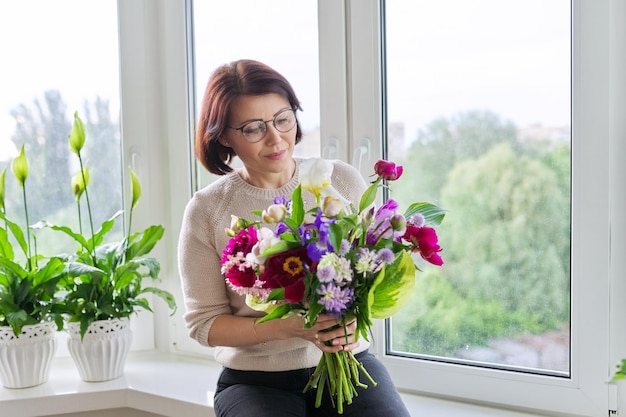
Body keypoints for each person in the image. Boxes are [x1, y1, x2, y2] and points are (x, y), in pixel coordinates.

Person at [178, 59, 411, 417]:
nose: (275, 139)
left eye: (282, 119)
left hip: (348, 362)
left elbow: (374, 273)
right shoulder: (208, 209)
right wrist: (288, 326)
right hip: (255, 381)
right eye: (253, 128)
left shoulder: (341, 182)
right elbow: (205, 324)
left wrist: (353, 320)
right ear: (224, 135)